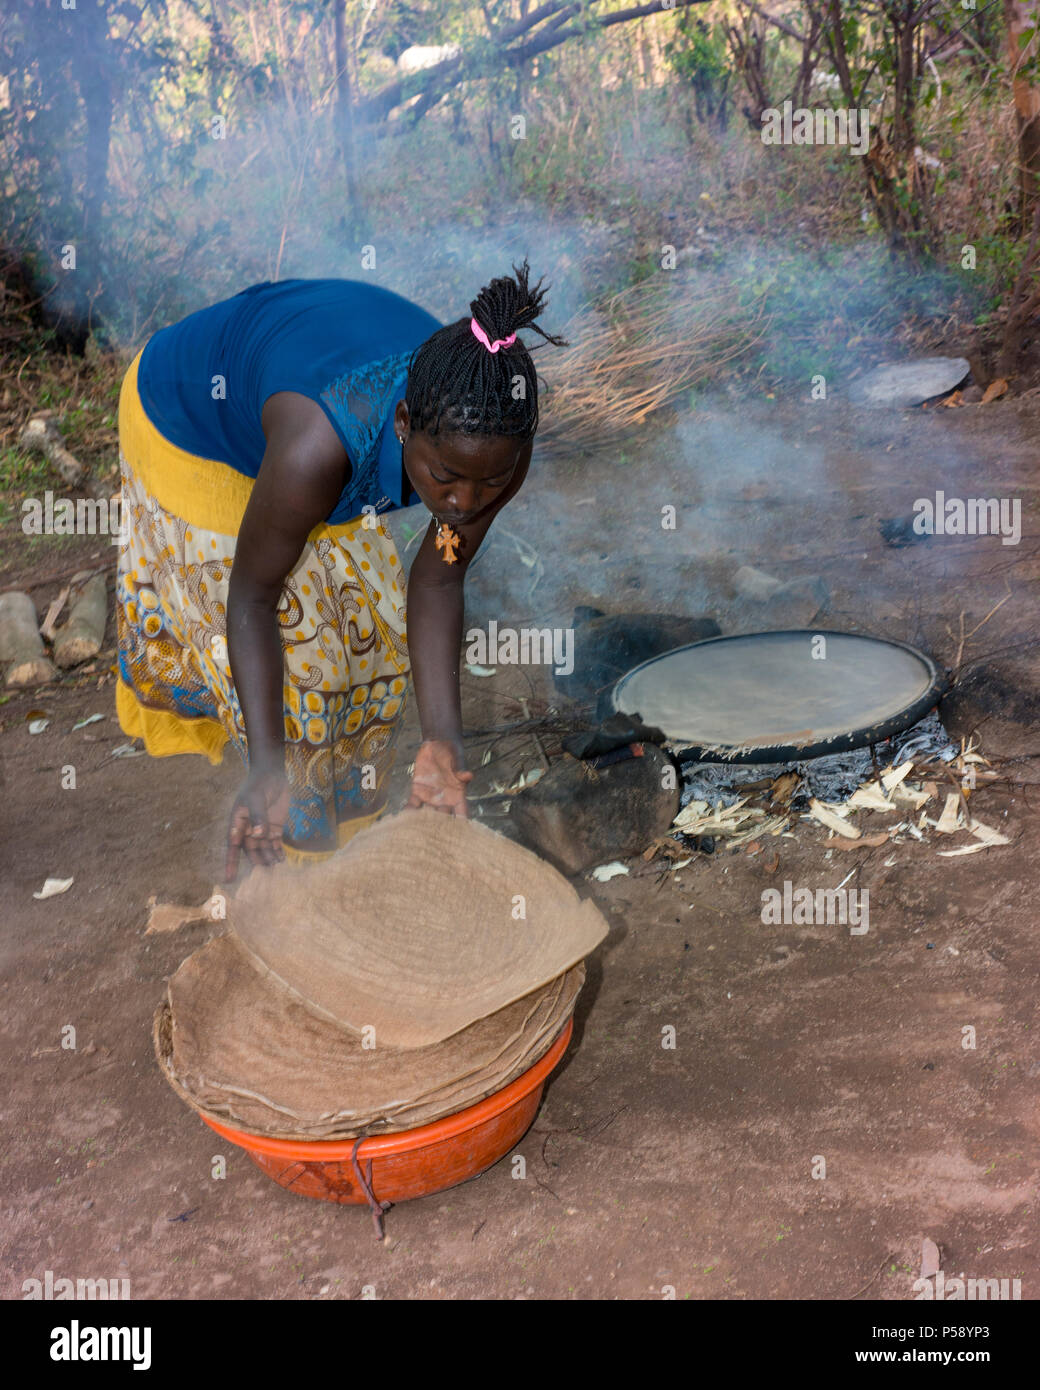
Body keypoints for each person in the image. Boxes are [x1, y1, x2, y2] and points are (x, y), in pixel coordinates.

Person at [113, 260, 565, 879]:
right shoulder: (315, 453)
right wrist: (268, 765)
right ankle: (299, 860)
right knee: (310, 672)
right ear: (404, 426)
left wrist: (442, 742)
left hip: (302, 390)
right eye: (445, 478)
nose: (465, 504)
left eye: (489, 482)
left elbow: (438, 578)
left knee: (373, 646)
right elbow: (250, 599)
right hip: (192, 420)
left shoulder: (494, 437)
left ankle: (345, 831)